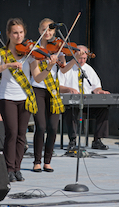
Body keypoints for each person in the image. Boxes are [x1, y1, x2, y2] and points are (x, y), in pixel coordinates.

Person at [0, 18, 57, 182]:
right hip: (7, 97)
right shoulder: (3, 54)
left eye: (21, 32)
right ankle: (9, 169)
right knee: (11, 133)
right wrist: (8, 65)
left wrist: (49, 67)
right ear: (9, 34)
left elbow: (38, 78)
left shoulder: (30, 54)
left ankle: (17, 169)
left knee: (21, 135)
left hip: (25, 98)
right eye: (15, 33)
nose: (19, 36)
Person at [31, 18, 67, 173]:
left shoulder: (57, 48)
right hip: (38, 89)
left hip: (53, 91)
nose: (48, 32)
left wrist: (76, 58)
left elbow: (64, 69)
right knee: (41, 126)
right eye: (45, 29)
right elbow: (37, 75)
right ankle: (37, 161)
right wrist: (49, 64)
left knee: (53, 127)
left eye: (50, 29)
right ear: (39, 30)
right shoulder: (35, 49)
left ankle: (47, 161)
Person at [58, 45, 110, 150]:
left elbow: (96, 87)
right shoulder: (66, 67)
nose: (82, 61)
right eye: (80, 58)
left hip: (87, 103)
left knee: (103, 109)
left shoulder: (88, 69)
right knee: (71, 110)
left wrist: (99, 91)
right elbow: (58, 87)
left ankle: (97, 140)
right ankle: (72, 141)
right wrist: (69, 89)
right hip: (71, 103)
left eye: (84, 58)